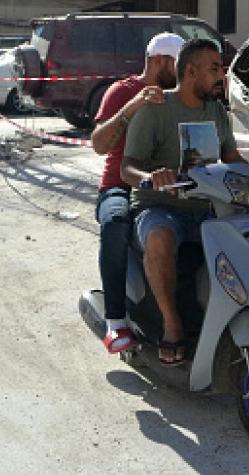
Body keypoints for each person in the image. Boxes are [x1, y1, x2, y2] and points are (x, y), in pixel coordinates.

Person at [121, 38, 249, 366]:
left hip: (210, 207)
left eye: (222, 69)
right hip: (160, 207)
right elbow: (126, 168)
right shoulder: (154, 109)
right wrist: (152, 175)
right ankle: (172, 325)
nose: (221, 75)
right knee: (159, 237)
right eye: (214, 69)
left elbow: (233, 159)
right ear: (190, 71)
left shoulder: (216, 112)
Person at [90, 32, 184, 354]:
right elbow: (99, 145)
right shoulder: (123, 91)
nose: (184, 71)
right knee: (116, 223)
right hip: (119, 185)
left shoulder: (180, 96)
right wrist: (132, 106)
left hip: (165, 187)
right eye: (179, 64)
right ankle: (115, 321)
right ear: (160, 61)